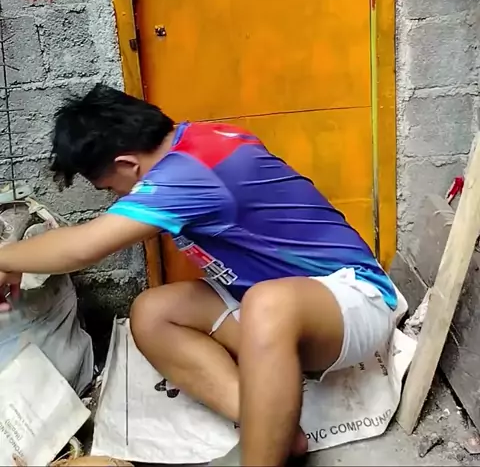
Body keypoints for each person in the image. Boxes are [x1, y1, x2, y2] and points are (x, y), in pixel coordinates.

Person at [0, 84, 405, 467]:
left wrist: (6, 258)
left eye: (111, 188)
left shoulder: (189, 175)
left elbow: (83, 246)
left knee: (268, 303)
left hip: (351, 300)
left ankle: (261, 458)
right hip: (273, 300)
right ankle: (272, 430)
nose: (118, 197)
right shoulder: (195, 141)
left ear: (127, 165)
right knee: (152, 312)